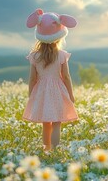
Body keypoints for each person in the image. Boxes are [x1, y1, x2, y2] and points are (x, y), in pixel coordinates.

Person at [23, 8, 79, 152]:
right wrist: (70, 94)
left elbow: (32, 78)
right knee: (56, 123)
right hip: (58, 91)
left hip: (41, 91)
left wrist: (31, 95)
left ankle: (46, 149)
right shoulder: (61, 55)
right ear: (59, 37)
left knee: (45, 123)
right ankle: (54, 150)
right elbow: (66, 76)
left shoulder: (35, 56)